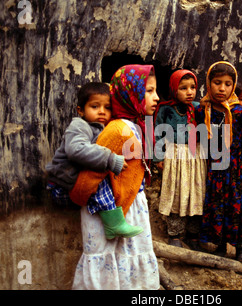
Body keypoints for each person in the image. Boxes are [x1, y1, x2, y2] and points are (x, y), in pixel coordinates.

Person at [69, 64, 160, 290]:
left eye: (155, 91)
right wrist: (80, 197)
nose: (156, 98)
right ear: (131, 93)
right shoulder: (117, 129)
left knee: (126, 256)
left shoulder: (135, 125)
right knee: (103, 257)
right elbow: (92, 172)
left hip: (130, 205)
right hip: (107, 210)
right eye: (148, 91)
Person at [45, 82, 143, 239]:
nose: (102, 112)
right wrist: (110, 159)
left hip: (75, 185)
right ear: (81, 110)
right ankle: (114, 224)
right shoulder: (79, 125)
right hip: (61, 186)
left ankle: (112, 221)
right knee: (100, 173)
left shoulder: (105, 128)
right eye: (95, 106)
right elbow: (76, 150)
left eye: (107, 107)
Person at [195, 61, 242, 264]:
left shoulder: (240, 112)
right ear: (209, 83)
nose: (222, 88)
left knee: (239, 206)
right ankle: (220, 247)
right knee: (218, 205)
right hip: (216, 166)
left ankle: (241, 249)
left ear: (234, 85)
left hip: (238, 167)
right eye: (217, 82)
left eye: (228, 84)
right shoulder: (203, 109)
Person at [154, 69, 207, 249]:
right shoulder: (165, 109)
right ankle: (174, 234)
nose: (189, 92)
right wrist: (158, 157)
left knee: (196, 193)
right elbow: (158, 133)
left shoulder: (199, 107)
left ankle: (193, 234)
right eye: (183, 88)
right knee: (176, 193)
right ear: (174, 89)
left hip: (196, 156)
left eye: (192, 87)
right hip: (175, 156)